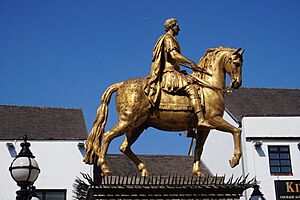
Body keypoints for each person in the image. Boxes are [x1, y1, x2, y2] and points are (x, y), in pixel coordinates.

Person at [145, 18, 210, 128]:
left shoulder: (168, 39)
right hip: (169, 74)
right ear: (171, 27)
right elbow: (174, 55)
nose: (178, 28)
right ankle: (200, 119)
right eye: (176, 26)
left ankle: (190, 125)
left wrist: (181, 70)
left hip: (173, 71)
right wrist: (190, 62)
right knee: (191, 88)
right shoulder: (169, 39)